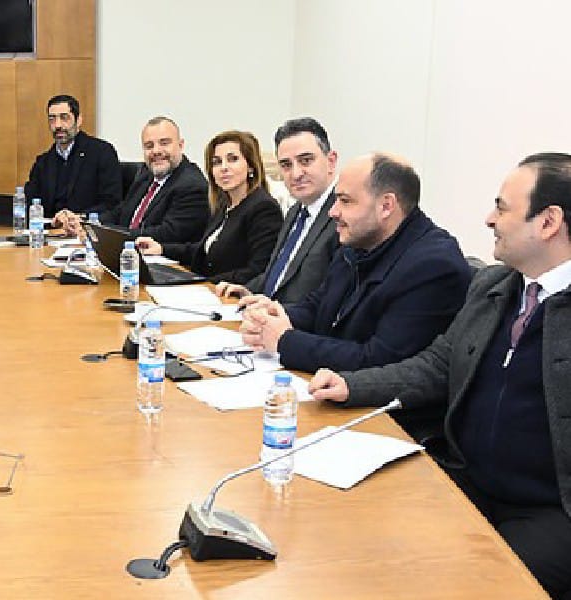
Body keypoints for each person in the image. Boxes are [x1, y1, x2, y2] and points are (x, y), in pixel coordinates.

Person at [309, 153, 571, 599]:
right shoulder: (493, 288)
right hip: (466, 479)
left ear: (548, 222)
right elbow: (437, 365)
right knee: (358, 541)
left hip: (550, 511)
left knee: (467, 585)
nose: (489, 219)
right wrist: (353, 385)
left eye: (502, 208)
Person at [239, 153, 471, 376]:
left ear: (386, 206)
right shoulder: (359, 241)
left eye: (345, 201)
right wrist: (276, 316)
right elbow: (319, 306)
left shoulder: (433, 266)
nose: (333, 212)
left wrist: (285, 340)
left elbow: (379, 361)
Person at [216, 117, 340, 303]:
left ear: (331, 161)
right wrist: (248, 290)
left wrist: (277, 310)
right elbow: (279, 273)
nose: (296, 174)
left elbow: (331, 298)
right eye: (286, 165)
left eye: (306, 161)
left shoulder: (343, 216)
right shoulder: (295, 211)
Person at [135, 130, 281, 283]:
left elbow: (258, 271)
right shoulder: (223, 205)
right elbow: (203, 250)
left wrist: (203, 283)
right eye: (216, 162)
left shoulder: (263, 208)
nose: (223, 168)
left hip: (228, 293)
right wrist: (161, 248)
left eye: (232, 159)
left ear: (251, 166)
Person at [0, 94, 120, 217]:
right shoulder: (45, 161)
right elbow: (29, 199)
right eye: (52, 119)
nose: (58, 125)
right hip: (50, 234)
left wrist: (79, 217)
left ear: (78, 121)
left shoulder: (101, 152)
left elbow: (112, 203)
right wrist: (2, 211)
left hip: (86, 233)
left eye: (64, 118)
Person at [60, 116, 209, 243]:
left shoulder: (192, 185)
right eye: (149, 146)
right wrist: (85, 222)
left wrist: (100, 232)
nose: (156, 151)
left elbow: (166, 234)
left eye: (164, 143)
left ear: (180, 145)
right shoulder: (146, 174)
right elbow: (121, 212)